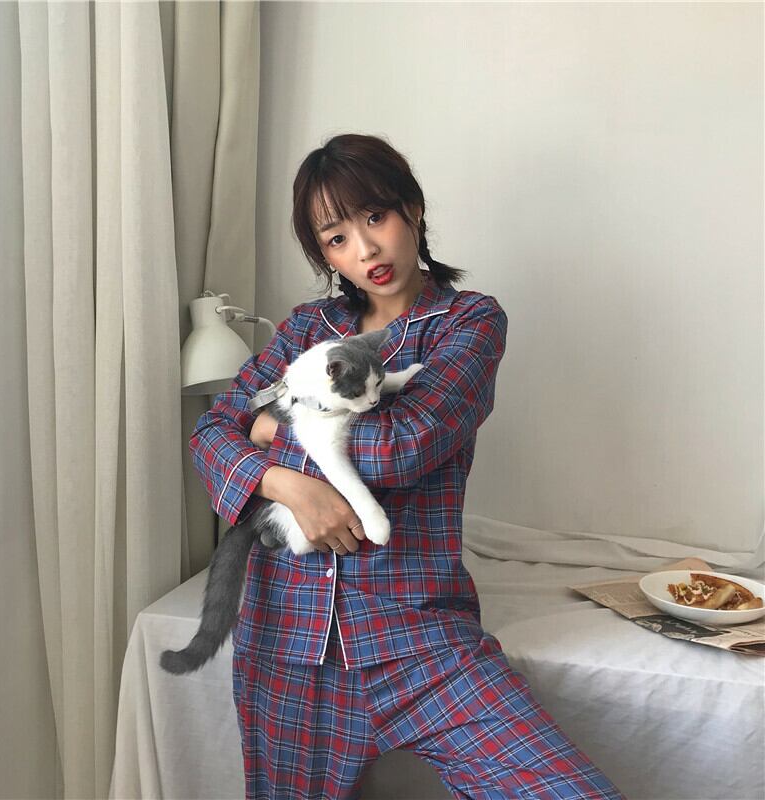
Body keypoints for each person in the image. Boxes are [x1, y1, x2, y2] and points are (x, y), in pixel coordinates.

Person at [190, 134, 625, 800]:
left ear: (412, 209)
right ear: (325, 255)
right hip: (287, 645)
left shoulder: (467, 322)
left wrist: (271, 427)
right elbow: (210, 435)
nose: (365, 250)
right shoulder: (305, 328)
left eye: (376, 217)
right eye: (337, 238)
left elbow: (405, 442)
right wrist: (287, 486)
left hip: (421, 641)